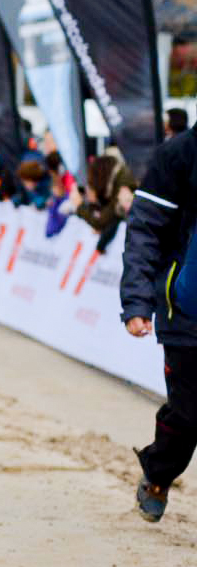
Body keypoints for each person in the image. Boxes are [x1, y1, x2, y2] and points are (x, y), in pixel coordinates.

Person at [120, 118, 197, 523]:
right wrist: (136, 301)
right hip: (186, 309)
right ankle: (158, 472)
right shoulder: (179, 153)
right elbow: (145, 229)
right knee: (189, 413)